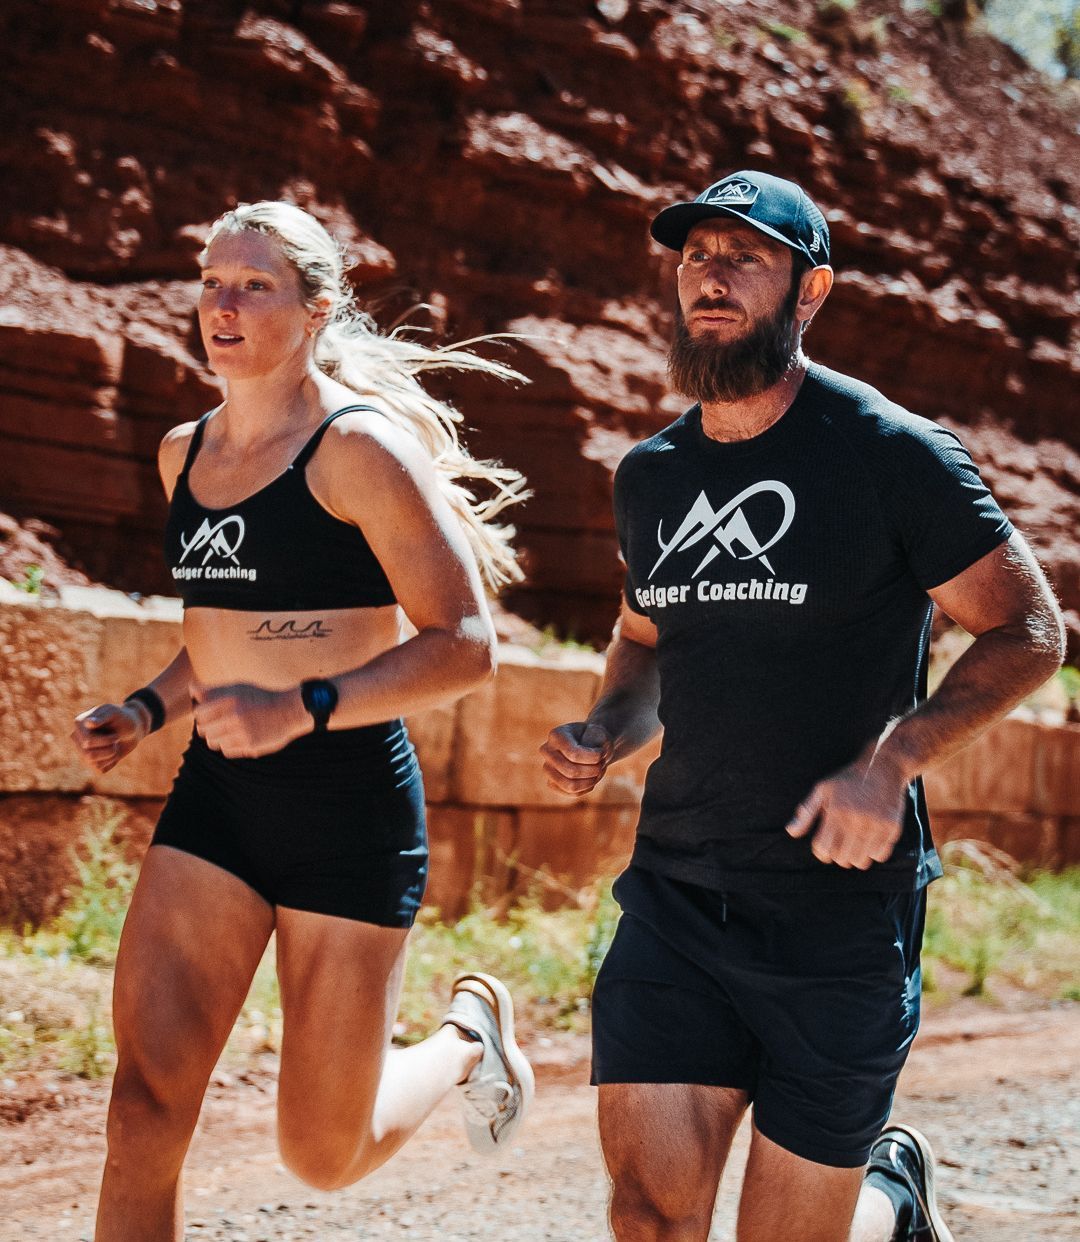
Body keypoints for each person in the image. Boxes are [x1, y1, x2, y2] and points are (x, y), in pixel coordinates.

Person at [541, 170, 1064, 1242]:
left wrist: (893, 761)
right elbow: (646, 641)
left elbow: (1029, 630)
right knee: (648, 1218)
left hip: (840, 916)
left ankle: (890, 1201)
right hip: (678, 897)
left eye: (746, 258)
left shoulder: (891, 454)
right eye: (696, 256)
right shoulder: (652, 475)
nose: (711, 277)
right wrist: (606, 730)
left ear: (809, 290)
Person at [72, 200, 534, 1242]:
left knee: (323, 1153)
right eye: (211, 283)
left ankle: (467, 1039)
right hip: (220, 804)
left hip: (348, 814)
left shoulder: (356, 449)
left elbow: (465, 643)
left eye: (254, 286)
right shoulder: (182, 454)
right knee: (142, 1115)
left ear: (317, 310)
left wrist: (302, 707)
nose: (222, 307)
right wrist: (146, 708)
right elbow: (227, 636)